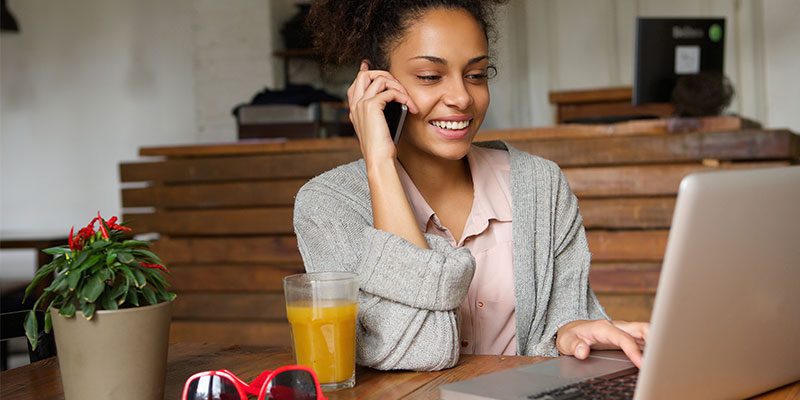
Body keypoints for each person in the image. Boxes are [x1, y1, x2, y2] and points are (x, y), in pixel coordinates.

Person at [294, 0, 649, 372]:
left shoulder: (541, 187)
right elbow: (420, 350)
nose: (462, 98)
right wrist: (380, 164)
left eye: (477, 75)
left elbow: (564, 318)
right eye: (430, 77)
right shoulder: (328, 207)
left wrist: (570, 332)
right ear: (373, 85)